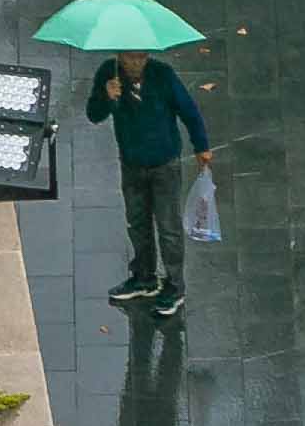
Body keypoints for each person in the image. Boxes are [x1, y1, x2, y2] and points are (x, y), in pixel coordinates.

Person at [86, 45, 214, 321]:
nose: (137, 62)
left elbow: (188, 110)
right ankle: (143, 277)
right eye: (132, 57)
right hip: (132, 162)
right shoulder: (108, 74)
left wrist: (201, 145)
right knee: (137, 222)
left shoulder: (162, 75)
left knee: (168, 227)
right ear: (120, 56)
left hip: (164, 164)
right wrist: (106, 97)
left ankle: (175, 286)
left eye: (142, 57)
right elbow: (93, 114)